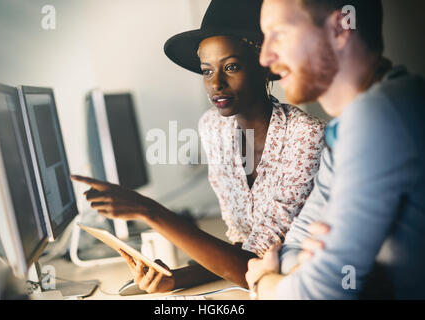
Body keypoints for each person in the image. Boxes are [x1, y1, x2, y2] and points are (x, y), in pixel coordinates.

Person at [72, 0, 325, 293]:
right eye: (207, 71)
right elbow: (242, 248)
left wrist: (149, 210)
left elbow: (255, 263)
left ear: (265, 66)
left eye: (231, 67)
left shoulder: (306, 136)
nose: (216, 83)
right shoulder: (214, 128)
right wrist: (176, 279)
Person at [245, 0, 425, 299]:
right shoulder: (343, 130)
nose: (265, 57)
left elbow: (324, 292)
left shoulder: (381, 115)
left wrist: (265, 283)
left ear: (341, 29)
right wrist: (306, 270)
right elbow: (293, 246)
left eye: (279, 34)